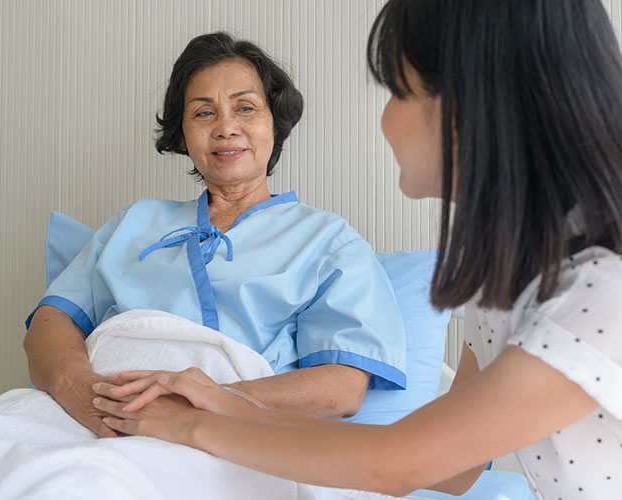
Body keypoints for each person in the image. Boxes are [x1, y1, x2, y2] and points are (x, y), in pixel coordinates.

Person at [90, 1, 622, 498]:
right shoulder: (498, 289)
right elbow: (452, 472)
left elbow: (396, 463)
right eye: (203, 112)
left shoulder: (603, 287)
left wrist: (192, 424)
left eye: (397, 90)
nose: (386, 119)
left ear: (475, 104)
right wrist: (221, 405)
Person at [24, 32, 407, 439]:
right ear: (183, 134)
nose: (226, 127)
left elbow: (342, 389)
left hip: (235, 428)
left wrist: (200, 408)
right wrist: (86, 395)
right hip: (97, 416)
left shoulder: (327, 240)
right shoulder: (134, 222)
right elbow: (50, 322)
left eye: (245, 108)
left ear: (273, 123)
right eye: (203, 113)